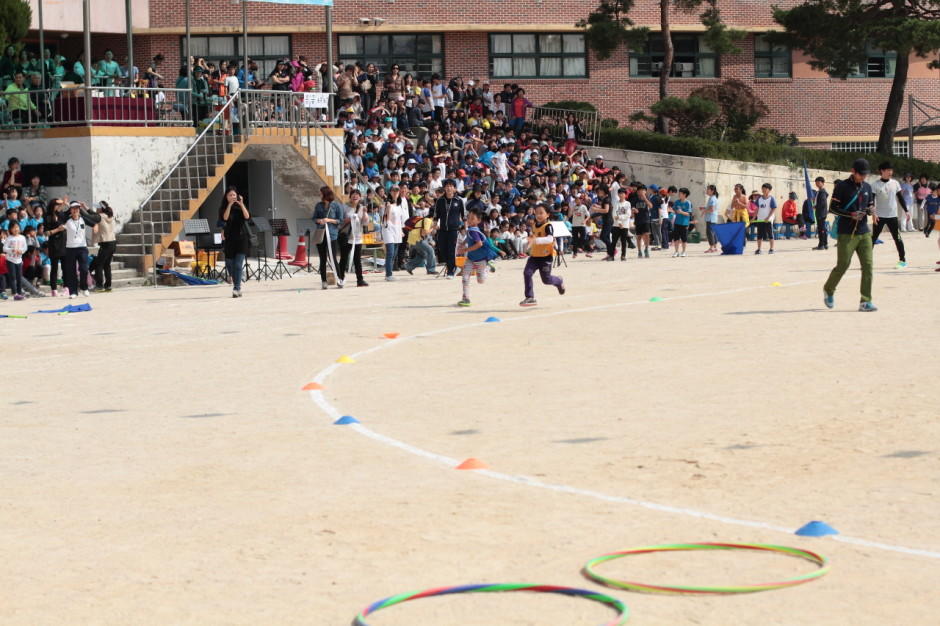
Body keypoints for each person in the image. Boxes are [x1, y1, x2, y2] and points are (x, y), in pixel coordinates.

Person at [823, 158, 877, 312]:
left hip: (864, 232)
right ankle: (829, 289)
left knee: (868, 266)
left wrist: (871, 211)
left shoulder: (867, 186)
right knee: (843, 265)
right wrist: (851, 214)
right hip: (846, 232)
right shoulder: (842, 186)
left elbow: (869, 204)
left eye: (866, 175)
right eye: (861, 174)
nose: (864, 177)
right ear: (853, 171)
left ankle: (865, 301)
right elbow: (833, 208)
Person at [520, 203, 565, 307]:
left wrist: (536, 240)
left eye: (541, 213)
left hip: (545, 257)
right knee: (527, 273)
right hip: (534, 256)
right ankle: (530, 297)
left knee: (546, 280)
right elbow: (533, 237)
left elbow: (550, 239)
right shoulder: (534, 225)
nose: (538, 215)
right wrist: (529, 244)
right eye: (537, 213)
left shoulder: (548, 226)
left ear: (548, 214)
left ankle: (559, 281)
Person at [870, 161, 908, 269]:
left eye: (891, 170)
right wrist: (873, 214)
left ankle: (902, 260)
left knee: (897, 238)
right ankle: (867, 261)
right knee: (872, 239)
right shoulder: (875, 184)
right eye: (888, 170)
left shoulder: (895, 183)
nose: (891, 172)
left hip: (892, 215)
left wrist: (906, 211)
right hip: (879, 216)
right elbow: (871, 201)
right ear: (882, 171)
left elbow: (900, 198)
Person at [220, 187, 250, 298]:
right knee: (229, 264)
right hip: (229, 239)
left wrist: (241, 204)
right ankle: (236, 279)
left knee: (238, 264)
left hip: (241, 239)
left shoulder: (240, 207)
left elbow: (247, 216)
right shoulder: (223, 208)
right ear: (226, 197)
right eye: (230, 195)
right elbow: (225, 218)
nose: (232, 197)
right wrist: (229, 205)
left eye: (234, 195)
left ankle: (236, 288)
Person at [312, 186, 345, 289]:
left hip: (332, 235)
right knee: (322, 258)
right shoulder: (318, 205)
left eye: (321, 193)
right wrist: (319, 220)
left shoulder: (336, 206)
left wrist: (329, 220)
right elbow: (314, 218)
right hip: (321, 234)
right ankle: (323, 281)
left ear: (326, 194)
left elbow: (340, 220)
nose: (320, 195)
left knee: (333, 258)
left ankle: (339, 279)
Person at [457, 208, 490, 307]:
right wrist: (463, 243)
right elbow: (468, 237)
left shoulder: (474, 231)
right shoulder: (470, 230)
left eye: (472, 218)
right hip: (471, 258)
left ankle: (487, 268)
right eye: (469, 218)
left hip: (480, 259)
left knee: (480, 281)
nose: (470, 220)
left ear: (478, 220)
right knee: (465, 276)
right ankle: (466, 298)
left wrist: (466, 250)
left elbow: (479, 244)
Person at [432, 178, 465, 278]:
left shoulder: (459, 201)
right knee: (442, 249)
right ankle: (453, 265)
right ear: (444, 188)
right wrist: (434, 226)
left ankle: (451, 270)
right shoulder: (440, 201)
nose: (449, 188)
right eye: (447, 186)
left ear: (454, 188)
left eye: (451, 186)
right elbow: (435, 215)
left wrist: (466, 230)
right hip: (442, 229)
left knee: (451, 250)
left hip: (454, 229)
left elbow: (464, 216)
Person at [62, 201, 92, 299]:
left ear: (79, 210)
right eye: (73, 208)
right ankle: (73, 291)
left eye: (77, 208)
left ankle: (84, 288)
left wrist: (95, 226)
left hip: (82, 247)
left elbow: (95, 221)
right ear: (70, 210)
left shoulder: (83, 219)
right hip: (70, 248)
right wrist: (63, 203)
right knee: (71, 271)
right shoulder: (67, 219)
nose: (75, 210)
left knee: (84, 269)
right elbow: (58, 213)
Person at [341, 189, 368, 287]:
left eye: (357, 195)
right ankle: (341, 278)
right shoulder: (344, 207)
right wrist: (349, 219)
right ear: (350, 197)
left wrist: (364, 213)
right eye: (353, 194)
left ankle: (360, 280)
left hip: (357, 237)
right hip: (346, 237)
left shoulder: (361, 207)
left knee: (357, 259)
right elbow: (340, 221)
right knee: (344, 258)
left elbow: (365, 223)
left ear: (360, 197)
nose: (355, 196)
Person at [382, 185, 408, 281]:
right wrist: (387, 207)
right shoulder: (387, 204)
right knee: (390, 252)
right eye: (393, 191)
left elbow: (400, 219)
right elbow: (386, 218)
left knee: (394, 254)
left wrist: (401, 230)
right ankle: (388, 274)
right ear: (390, 192)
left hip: (397, 230)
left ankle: (390, 273)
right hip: (388, 230)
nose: (395, 193)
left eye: (397, 191)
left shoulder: (399, 205)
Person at [404, 203, 437, 275]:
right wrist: (433, 228)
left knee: (424, 254)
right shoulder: (428, 220)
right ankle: (431, 269)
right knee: (430, 250)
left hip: (413, 238)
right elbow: (424, 232)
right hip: (416, 238)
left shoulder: (426, 219)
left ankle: (408, 266)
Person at [91, 201, 116, 291]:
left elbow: (90, 216)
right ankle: (108, 285)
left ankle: (99, 285)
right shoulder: (107, 216)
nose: (96, 209)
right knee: (106, 265)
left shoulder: (100, 216)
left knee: (99, 264)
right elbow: (92, 215)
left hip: (106, 243)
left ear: (101, 209)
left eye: (97, 208)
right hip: (112, 242)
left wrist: (84, 208)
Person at [3, 221, 27, 300]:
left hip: (19, 260)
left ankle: (19, 292)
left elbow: (25, 247)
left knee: (19, 277)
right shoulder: (9, 238)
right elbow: (4, 248)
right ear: (10, 229)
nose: (16, 229)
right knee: (13, 277)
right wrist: (11, 250)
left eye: (17, 227)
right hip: (10, 260)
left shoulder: (22, 238)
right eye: (13, 227)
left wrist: (21, 251)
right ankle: (14, 293)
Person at [754, 183, 777, 255]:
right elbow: (757, 209)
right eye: (763, 188)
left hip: (768, 220)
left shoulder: (771, 199)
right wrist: (754, 217)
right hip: (760, 219)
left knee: (770, 234)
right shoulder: (759, 199)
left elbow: (773, 208)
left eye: (766, 189)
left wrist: (768, 217)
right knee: (759, 235)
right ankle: (759, 249)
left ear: (769, 190)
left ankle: (771, 248)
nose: (764, 190)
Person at [631, 184, 652, 259]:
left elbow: (650, 206)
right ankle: (639, 251)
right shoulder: (635, 199)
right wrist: (633, 210)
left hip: (646, 219)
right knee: (639, 236)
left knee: (647, 234)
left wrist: (645, 198)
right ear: (637, 192)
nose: (643, 192)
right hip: (638, 220)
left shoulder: (647, 198)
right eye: (641, 190)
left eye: (644, 190)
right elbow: (632, 207)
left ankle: (646, 249)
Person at [612, 187, 632, 261]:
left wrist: (620, 217)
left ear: (625, 195)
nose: (621, 195)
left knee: (623, 241)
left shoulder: (627, 203)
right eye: (620, 193)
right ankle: (611, 255)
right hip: (616, 225)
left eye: (622, 194)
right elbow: (614, 214)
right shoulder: (616, 203)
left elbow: (628, 214)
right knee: (614, 241)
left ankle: (623, 255)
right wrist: (619, 223)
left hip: (625, 225)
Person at [671, 187, 692, 257]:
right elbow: (674, 210)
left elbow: (688, 213)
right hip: (677, 222)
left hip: (684, 223)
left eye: (680, 193)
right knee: (676, 238)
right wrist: (673, 211)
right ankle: (676, 252)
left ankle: (683, 252)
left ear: (684, 194)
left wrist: (682, 212)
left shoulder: (688, 203)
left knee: (684, 239)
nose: (679, 195)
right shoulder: (677, 202)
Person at [812, 177, 830, 250]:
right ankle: (825, 244)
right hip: (821, 212)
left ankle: (821, 244)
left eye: (818, 182)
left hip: (821, 213)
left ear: (823, 183)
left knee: (821, 229)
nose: (817, 184)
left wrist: (815, 207)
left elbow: (822, 203)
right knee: (823, 229)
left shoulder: (822, 192)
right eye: (816, 182)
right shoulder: (819, 192)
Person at [702, 184, 720, 252]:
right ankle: (715, 246)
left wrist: (704, 211)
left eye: (708, 189)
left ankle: (711, 247)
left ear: (712, 191)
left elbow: (712, 209)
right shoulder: (713, 198)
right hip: (713, 218)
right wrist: (704, 208)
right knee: (713, 232)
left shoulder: (712, 198)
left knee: (709, 232)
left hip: (710, 218)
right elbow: (711, 208)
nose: (707, 191)